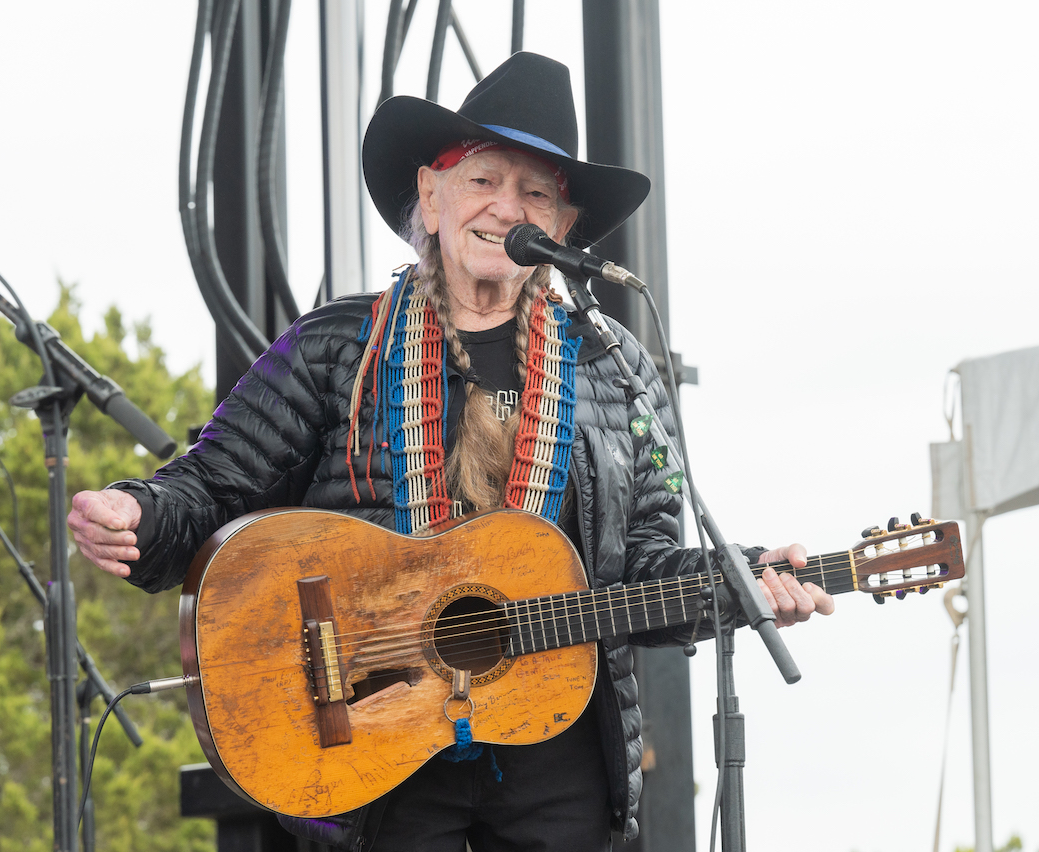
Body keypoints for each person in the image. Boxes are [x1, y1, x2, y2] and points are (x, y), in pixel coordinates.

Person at [68, 52, 833, 851]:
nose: (507, 207)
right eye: (482, 180)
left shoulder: (614, 367)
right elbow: (216, 483)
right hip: (378, 739)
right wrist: (142, 513)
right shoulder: (340, 346)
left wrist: (745, 577)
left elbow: (641, 563)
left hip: (557, 748)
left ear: (563, 227)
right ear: (429, 198)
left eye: (535, 191)